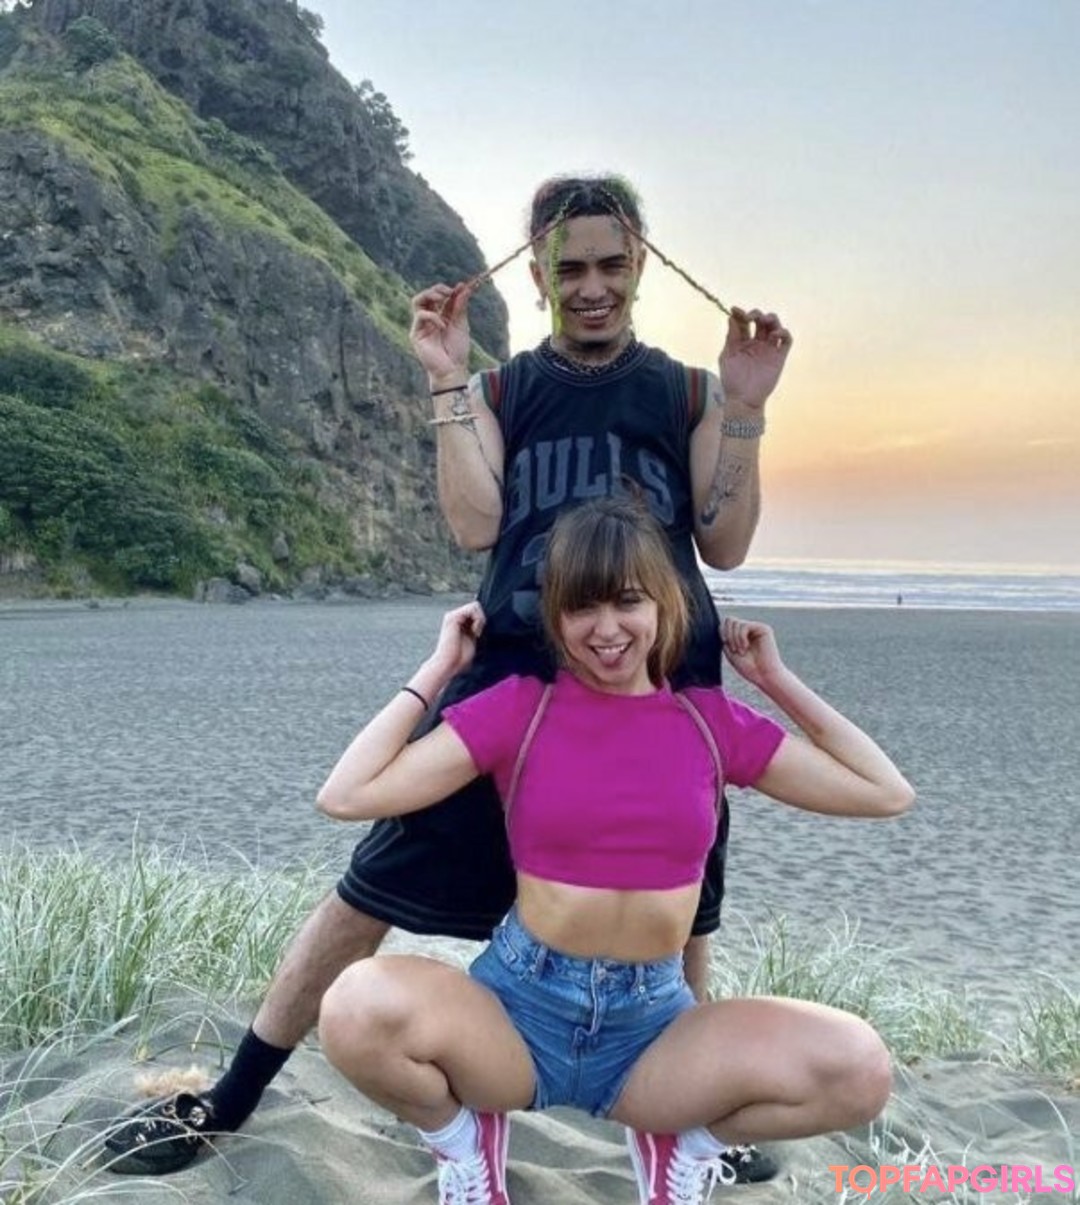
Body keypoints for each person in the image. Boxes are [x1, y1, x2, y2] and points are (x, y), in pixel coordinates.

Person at [103, 175, 792, 1179]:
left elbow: (724, 543)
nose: (592, 287)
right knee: (371, 886)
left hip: (660, 682)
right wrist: (444, 379)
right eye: (570, 269)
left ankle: (696, 1116)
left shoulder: (690, 392)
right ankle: (231, 1095)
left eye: (611, 264)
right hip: (515, 680)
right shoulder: (503, 391)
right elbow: (475, 524)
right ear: (540, 275)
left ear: (641, 261)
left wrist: (747, 407)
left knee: (684, 908)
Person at [316, 497, 915, 1205]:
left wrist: (774, 680)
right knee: (353, 1007)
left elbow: (883, 791)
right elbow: (347, 793)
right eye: (582, 607)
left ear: (663, 603)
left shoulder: (708, 721)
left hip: (652, 1032)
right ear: (556, 617)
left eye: (628, 601)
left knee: (860, 1069)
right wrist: (439, 667)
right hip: (517, 1013)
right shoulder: (520, 707)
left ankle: (684, 1147)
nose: (606, 629)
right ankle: (464, 1143)